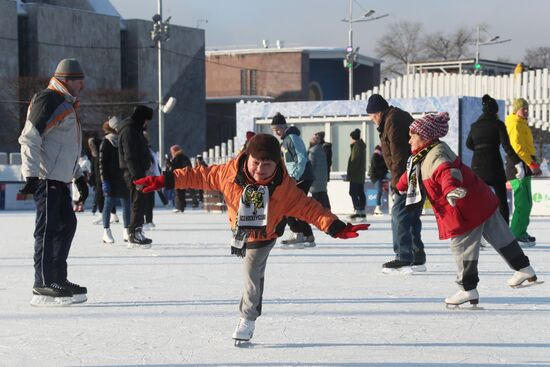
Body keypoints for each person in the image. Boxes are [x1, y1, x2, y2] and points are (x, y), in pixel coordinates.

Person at [134, 133, 370, 342]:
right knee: (255, 272)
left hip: (265, 233)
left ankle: (247, 318)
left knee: (251, 272)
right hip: (241, 230)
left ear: (276, 163)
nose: (260, 169)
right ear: (247, 157)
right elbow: (197, 175)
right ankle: (252, 302)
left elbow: (310, 208)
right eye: (256, 163)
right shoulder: (227, 173)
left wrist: (336, 226)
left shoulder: (284, 187)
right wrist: (164, 180)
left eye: (267, 165)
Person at [396, 112, 540, 307]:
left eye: (413, 134)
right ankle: (525, 269)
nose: (409, 139)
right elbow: (413, 173)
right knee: (502, 238)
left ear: (426, 136)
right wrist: (400, 186)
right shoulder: (423, 155)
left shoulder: (435, 154)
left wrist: (451, 189)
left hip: (462, 208)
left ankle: (468, 289)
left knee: (463, 249)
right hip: (480, 200)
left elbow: (448, 172)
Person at [18, 58, 89, 306]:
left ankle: (58, 278)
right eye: (80, 79)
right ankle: (43, 282)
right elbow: (29, 137)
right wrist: (30, 174)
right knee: (47, 230)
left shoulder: (66, 103)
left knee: (66, 224)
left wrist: (78, 176)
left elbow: (67, 147)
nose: (83, 84)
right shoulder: (48, 99)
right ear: (67, 80)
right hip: (46, 178)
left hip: (61, 179)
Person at [366, 94, 426, 273]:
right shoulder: (394, 117)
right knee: (412, 215)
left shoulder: (392, 120)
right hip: (414, 172)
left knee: (399, 213)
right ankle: (416, 256)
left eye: (371, 115)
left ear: (377, 112)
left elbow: (399, 153)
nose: (371, 119)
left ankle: (403, 256)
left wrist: (398, 181)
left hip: (408, 174)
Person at [466, 95, 521, 224]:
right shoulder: (498, 124)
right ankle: (504, 232)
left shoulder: (475, 126)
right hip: (494, 166)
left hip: (477, 167)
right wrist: (518, 162)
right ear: (495, 110)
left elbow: (468, 144)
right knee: (501, 200)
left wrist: (479, 150)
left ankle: (479, 231)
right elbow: (507, 147)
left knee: (478, 200)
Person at [271, 112, 316, 248]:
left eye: (278, 129)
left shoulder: (292, 137)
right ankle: (307, 234)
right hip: (298, 177)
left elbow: (301, 157)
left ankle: (298, 233)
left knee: (287, 206)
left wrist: (295, 176)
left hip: (300, 177)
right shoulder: (286, 140)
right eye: (274, 130)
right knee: (295, 206)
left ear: (284, 126)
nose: (276, 132)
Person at [505, 98, 542, 247]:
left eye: (527, 108)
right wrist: (531, 163)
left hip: (525, 165)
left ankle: (521, 232)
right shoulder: (514, 124)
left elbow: (527, 146)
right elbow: (517, 148)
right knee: (522, 203)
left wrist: (535, 160)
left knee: (527, 202)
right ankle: (515, 235)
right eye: (523, 109)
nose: (526, 111)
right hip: (517, 166)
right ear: (515, 109)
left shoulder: (522, 123)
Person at [118, 105, 154, 247]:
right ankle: (133, 232)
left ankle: (137, 230)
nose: (147, 124)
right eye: (146, 120)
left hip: (138, 171)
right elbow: (130, 156)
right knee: (137, 202)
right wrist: (137, 177)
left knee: (141, 202)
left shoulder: (135, 130)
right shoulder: (129, 131)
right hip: (134, 173)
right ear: (141, 118)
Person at [99, 117, 131, 244]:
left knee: (126, 204)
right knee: (109, 203)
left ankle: (127, 230)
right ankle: (106, 231)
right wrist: (104, 180)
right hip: (111, 178)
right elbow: (102, 164)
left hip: (123, 177)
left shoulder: (124, 140)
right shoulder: (106, 142)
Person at [347, 129, 367, 220]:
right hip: (360, 173)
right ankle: (362, 212)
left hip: (355, 174)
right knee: (360, 192)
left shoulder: (357, 146)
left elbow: (354, 161)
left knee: (353, 192)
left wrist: (350, 173)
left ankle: (358, 211)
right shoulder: (360, 146)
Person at [166, 145, 192, 213]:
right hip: (184, 177)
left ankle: (179, 207)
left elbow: (173, 168)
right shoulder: (185, 157)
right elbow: (189, 166)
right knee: (181, 192)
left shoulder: (175, 158)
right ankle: (182, 206)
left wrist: (168, 162)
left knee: (178, 192)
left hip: (177, 177)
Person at [308, 134, 330, 209]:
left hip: (315, 182)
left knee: (317, 203)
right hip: (322, 181)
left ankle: (322, 218)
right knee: (324, 200)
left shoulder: (312, 152)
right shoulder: (321, 150)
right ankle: (328, 216)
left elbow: (310, 167)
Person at [368, 144, 388, 215]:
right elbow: (377, 166)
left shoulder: (380, 156)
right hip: (376, 176)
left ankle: (379, 207)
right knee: (379, 191)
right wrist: (385, 162)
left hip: (381, 176)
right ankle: (377, 207)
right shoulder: (376, 156)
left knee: (382, 190)